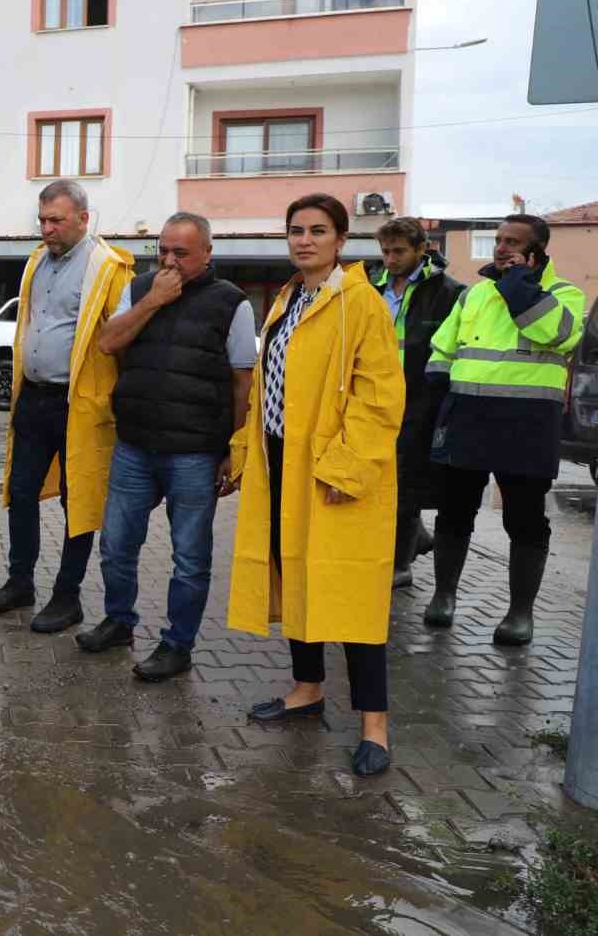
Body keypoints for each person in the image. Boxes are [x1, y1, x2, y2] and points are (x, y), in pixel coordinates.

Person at [227, 193, 403, 778]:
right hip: (284, 463)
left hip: (333, 470)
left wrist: (346, 468)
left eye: (318, 231)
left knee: (350, 592)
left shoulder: (361, 305)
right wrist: (245, 450)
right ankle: (307, 689)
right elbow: (268, 389)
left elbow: (380, 398)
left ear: (341, 238)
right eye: (295, 230)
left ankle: (374, 727)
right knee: (294, 570)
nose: (304, 240)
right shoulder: (288, 299)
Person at [78, 211, 256, 681]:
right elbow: (107, 342)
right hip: (134, 445)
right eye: (162, 251)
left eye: (181, 253)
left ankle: (178, 645)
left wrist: (231, 450)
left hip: (195, 454)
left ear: (207, 254)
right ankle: (119, 621)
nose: (169, 261)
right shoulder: (139, 289)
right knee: (116, 546)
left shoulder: (232, 303)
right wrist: (153, 300)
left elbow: (242, 382)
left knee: (190, 558)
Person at [423, 213, 585, 645]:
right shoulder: (474, 294)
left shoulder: (564, 293)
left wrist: (517, 284)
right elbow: (443, 345)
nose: (501, 248)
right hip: (469, 415)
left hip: (528, 423)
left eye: (513, 242)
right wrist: (440, 390)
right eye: (498, 240)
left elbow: (559, 335)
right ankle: (444, 596)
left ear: (537, 252)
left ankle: (520, 614)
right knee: (455, 512)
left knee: (526, 520)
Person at [0, 179, 133, 633]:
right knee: (22, 492)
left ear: (83, 219)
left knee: (78, 501)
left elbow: (123, 341)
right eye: (42, 220)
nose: (46, 229)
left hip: (80, 406)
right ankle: (20, 581)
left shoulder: (109, 268)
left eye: (56, 220)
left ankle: (68, 597)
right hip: (33, 399)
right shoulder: (36, 262)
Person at [372, 218, 463, 589]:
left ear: (421, 249)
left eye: (399, 251)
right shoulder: (369, 286)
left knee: (403, 481)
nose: (390, 259)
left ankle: (399, 563)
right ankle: (415, 537)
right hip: (372, 396)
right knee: (378, 479)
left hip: (417, 397)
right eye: (385, 251)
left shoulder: (449, 292)